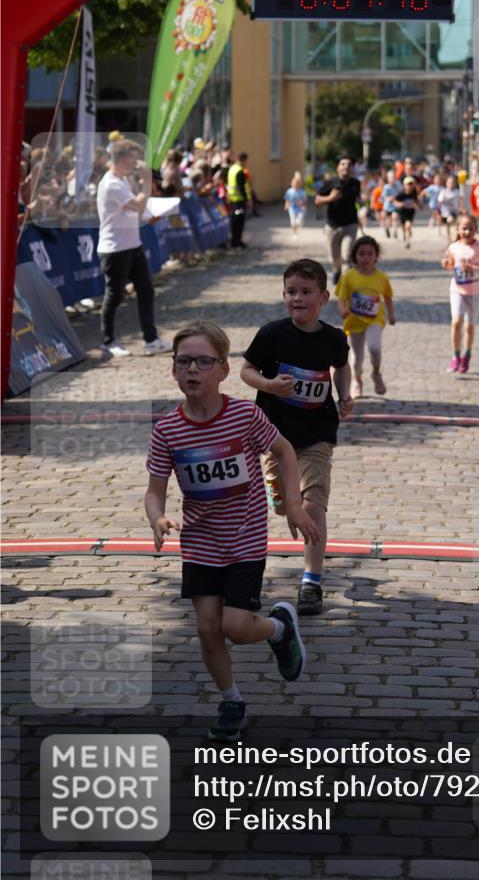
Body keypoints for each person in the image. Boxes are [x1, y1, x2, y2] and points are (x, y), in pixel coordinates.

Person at [145, 320, 318, 742]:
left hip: (243, 537)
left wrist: (293, 504)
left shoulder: (244, 415)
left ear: (223, 369)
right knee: (207, 627)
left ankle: (279, 629)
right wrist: (158, 518)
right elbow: (154, 491)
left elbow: (283, 450)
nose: (192, 370)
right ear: (173, 370)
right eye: (183, 361)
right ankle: (231, 700)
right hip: (201, 542)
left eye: (204, 361)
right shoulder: (167, 430)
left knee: (236, 628)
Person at [240, 258, 353, 616]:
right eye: (291, 292)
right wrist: (270, 385)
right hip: (275, 437)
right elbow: (246, 371)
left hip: (318, 434)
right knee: (283, 506)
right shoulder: (272, 334)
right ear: (283, 294)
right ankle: (289, 508)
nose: (298, 298)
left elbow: (341, 366)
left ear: (323, 297)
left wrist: (345, 394)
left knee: (313, 505)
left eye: (306, 292)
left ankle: (311, 582)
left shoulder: (334, 338)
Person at [96, 139, 170, 357]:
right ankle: (107, 341)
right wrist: (147, 181)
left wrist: (149, 217)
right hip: (115, 248)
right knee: (114, 295)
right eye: (132, 158)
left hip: (132, 245)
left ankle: (151, 339)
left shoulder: (123, 180)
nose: (136, 163)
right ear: (120, 160)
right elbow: (137, 203)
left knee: (146, 290)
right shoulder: (112, 183)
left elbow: (136, 210)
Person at [335, 235, 395, 399]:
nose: (366, 257)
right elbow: (341, 297)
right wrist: (342, 310)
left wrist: (391, 315)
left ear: (376, 256)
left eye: (370, 253)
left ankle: (376, 373)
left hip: (375, 319)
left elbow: (388, 296)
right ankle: (357, 380)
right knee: (356, 357)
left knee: (375, 347)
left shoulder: (381, 277)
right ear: (355, 256)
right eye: (361, 254)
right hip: (354, 321)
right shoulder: (348, 276)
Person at [441, 214, 479, 375]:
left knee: (469, 326)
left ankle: (466, 355)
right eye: (464, 228)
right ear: (457, 229)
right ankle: (455, 356)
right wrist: (446, 264)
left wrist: (473, 268)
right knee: (456, 322)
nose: (467, 232)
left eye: (470, 228)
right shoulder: (454, 247)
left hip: (474, 292)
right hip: (457, 290)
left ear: (476, 230)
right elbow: (449, 263)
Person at [314, 155, 361, 285]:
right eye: (343, 164)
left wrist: (362, 203)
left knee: (347, 255)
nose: (346, 166)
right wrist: (329, 198)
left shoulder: (355, 183)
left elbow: (358, 199)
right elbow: (317, 200)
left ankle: (345, 282)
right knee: (335, 257)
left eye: (349, 164)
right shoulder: (330, 183)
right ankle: (336, 269)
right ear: (338, 167)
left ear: (352, 168)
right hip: (333, 226)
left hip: (350, 224)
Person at [226, 150, 252, 250]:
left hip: (232, 199)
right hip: (239, 201)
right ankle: (237, 241)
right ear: (243, 160)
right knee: (239, 222)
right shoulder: (240, 171)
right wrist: (247, 200)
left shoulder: (232, 168)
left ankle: (234, 241)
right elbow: (241, 187)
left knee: (234, 221)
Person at [393, 175, 421, 248]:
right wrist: (400, 204)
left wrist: (417, 205)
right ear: (404, 185)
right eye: (408, 184)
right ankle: (406, 235)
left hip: (410, 213)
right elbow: (394, 201)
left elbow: (417, 202)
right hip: (402, 213)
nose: (410, 186)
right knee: (404, 227)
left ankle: (407, 242)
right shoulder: (401, 194)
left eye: (411, 184)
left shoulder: (414, 193)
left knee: (407, 225)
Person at [284, 171, 308, 236]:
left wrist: (304, 205)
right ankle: (294, 232)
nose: (295, 185)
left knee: (298, 222)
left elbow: (305, 200)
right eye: (294, 183)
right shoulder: (289, 191)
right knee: (293, 223)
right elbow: (287, 199)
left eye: (297, 183)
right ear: (291, 183)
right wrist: (286, 205)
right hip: (291, 208)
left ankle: (298, 226)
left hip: (300, 209)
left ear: (299, 184)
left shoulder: (302, 192)